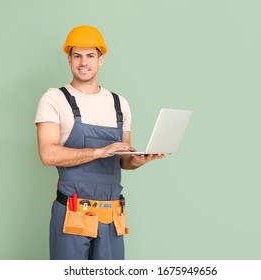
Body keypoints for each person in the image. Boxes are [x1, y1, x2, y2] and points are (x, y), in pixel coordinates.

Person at [35, 25, 164, 260]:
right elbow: (47, 154)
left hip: (111, 216)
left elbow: (123, 159)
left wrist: (138, 160)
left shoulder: (119, 104)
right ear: (69, 59)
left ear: (101, 60)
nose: (84, 62)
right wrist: (100, 151)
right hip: (73, 215)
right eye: (77, 56)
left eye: (90, 56)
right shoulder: (55, 99)